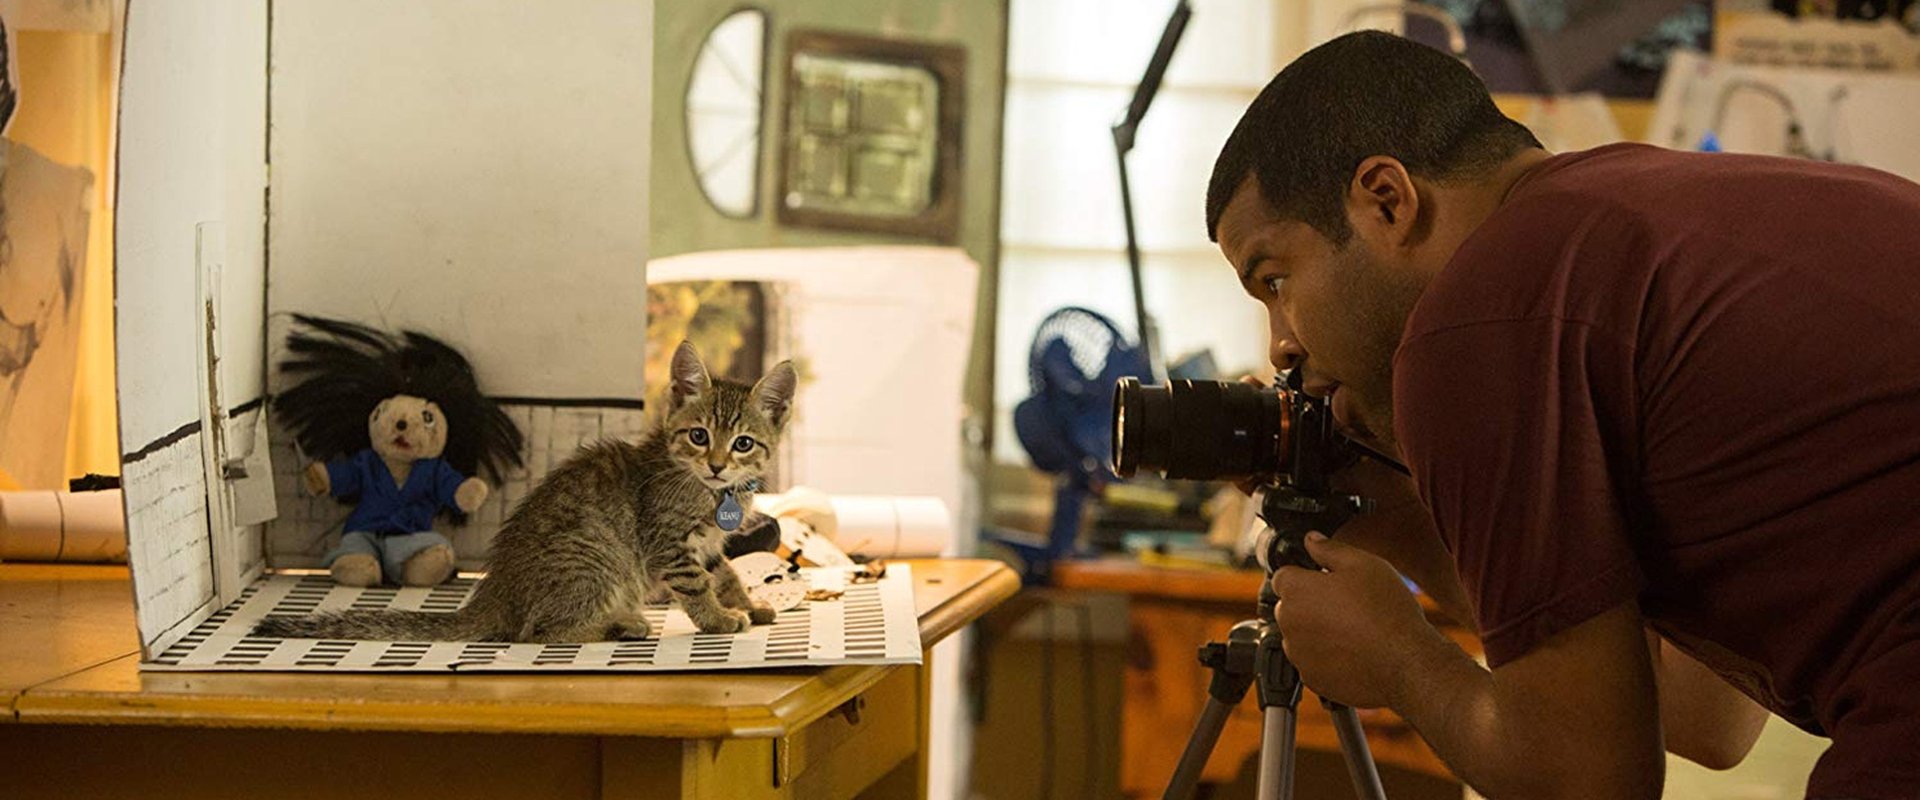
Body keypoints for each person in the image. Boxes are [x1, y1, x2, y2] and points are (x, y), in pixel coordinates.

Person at [1207, 31, 1920, 799]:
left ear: (1387, 200)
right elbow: (1706, 717)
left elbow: (1590, 783)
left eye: (1275, 281)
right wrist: (1399, 523)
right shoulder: (1628, 222)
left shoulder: (1478, 319)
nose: (1281, 347)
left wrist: (1399, 658)